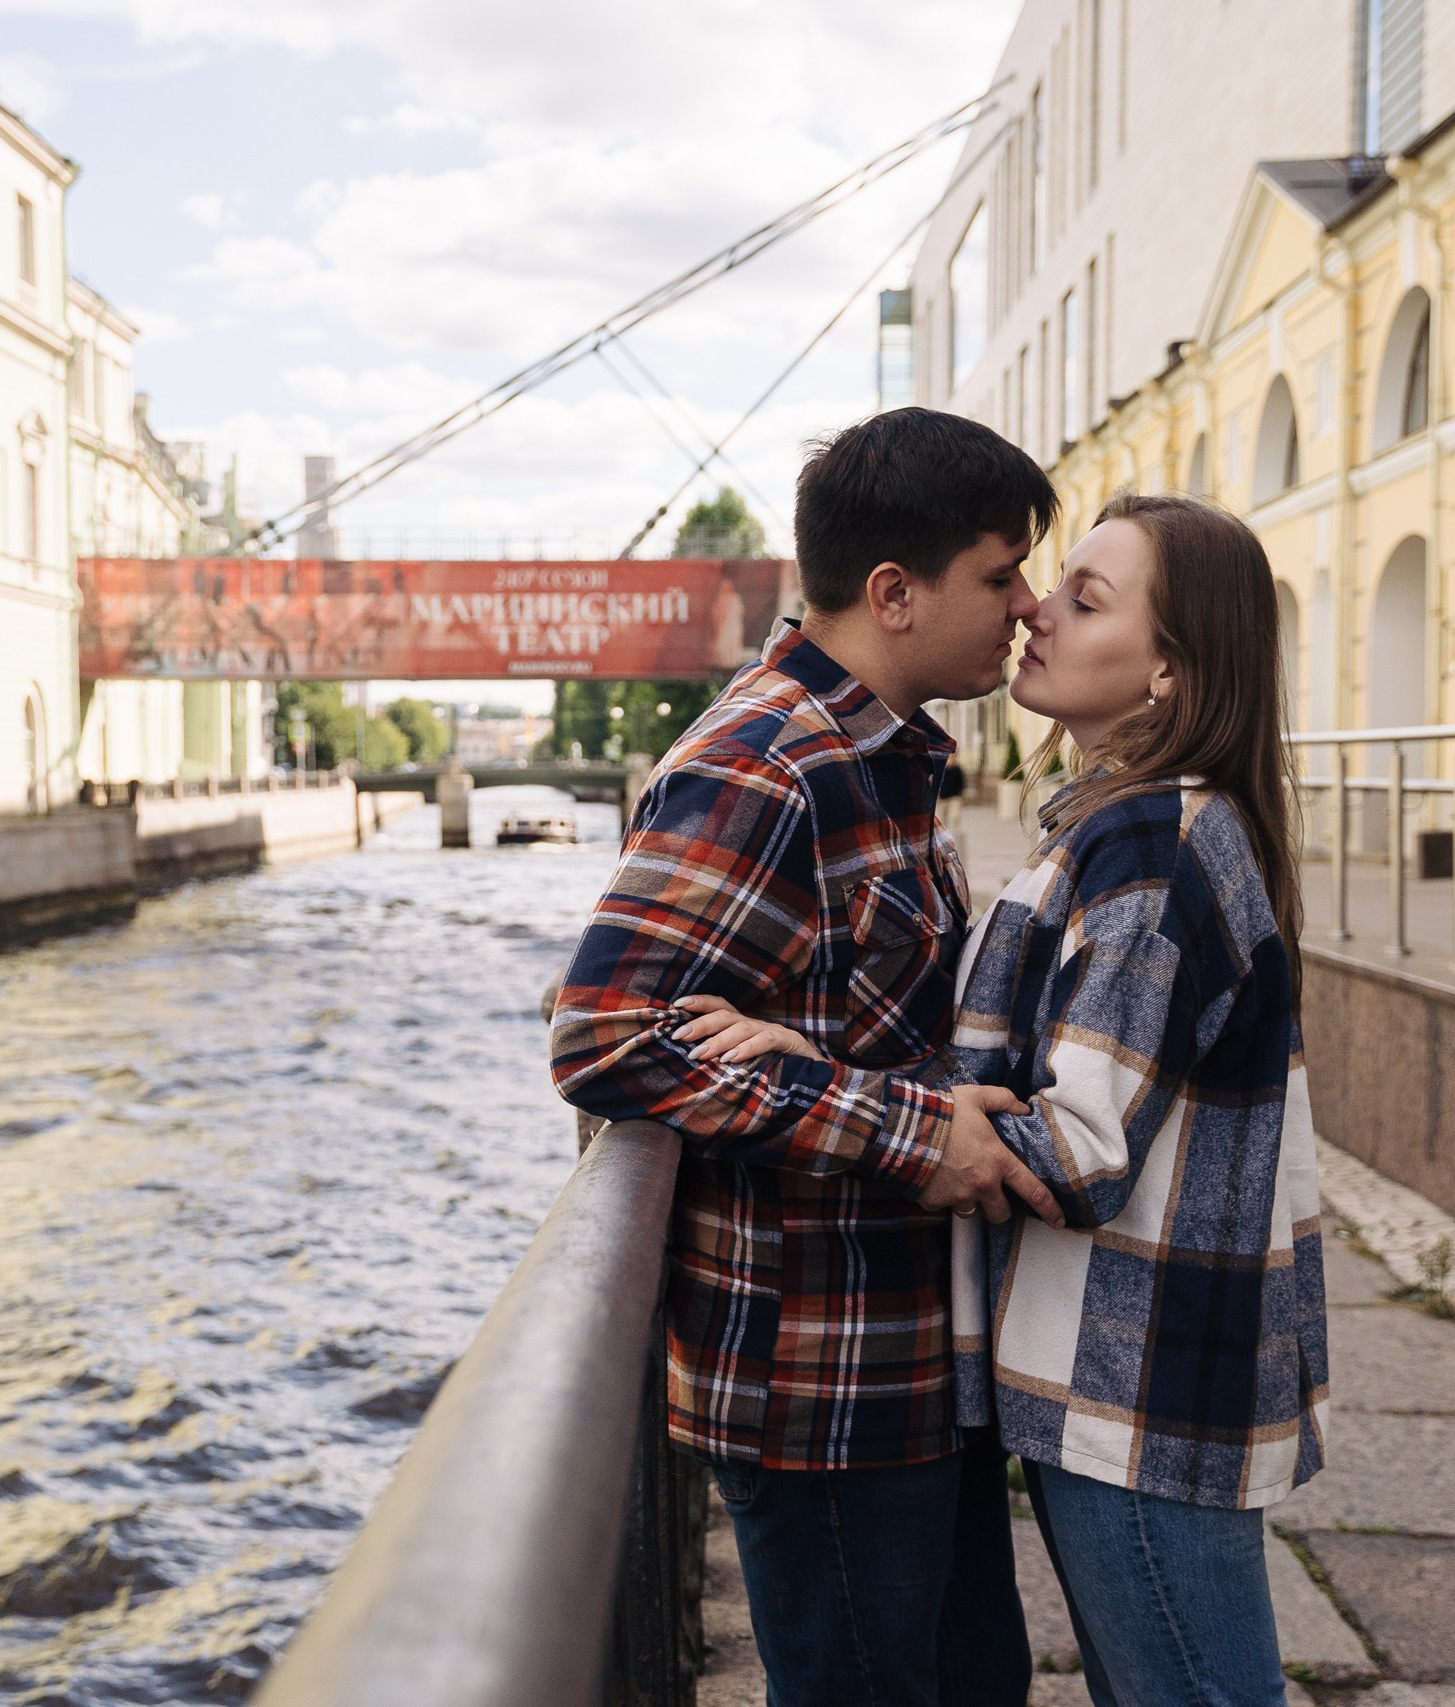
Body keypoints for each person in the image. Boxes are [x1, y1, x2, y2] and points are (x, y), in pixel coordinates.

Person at [698, 492, 1331, 1706]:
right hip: (1129, 1367)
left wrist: (831, 1090)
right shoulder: (1125, 824)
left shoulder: (1152, 844)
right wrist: (826, 1059)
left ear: (1168, 670)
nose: (1037, 609)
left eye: (1084, 600)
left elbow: (1078, 1148)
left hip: (1134, 1378)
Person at [549, 407, 1062, 1707]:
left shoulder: (880, 756)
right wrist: (914, 1131)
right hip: (821, 1387)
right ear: (895, 593)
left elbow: (866, 1019)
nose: (1026, 605)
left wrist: (877, 1083)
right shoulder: (769, 767)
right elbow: (606, 1031)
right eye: (1001, 574)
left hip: (905, 1351)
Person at [939, 756, 968, 830]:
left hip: (955, 797)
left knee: (955, 816)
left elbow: (961, 784)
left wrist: (961, 796)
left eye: (952, 758)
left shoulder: (957, 769)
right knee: (942, 818)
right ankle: (943, 834)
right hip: (943, 798)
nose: (950, 760)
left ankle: (956, 832)